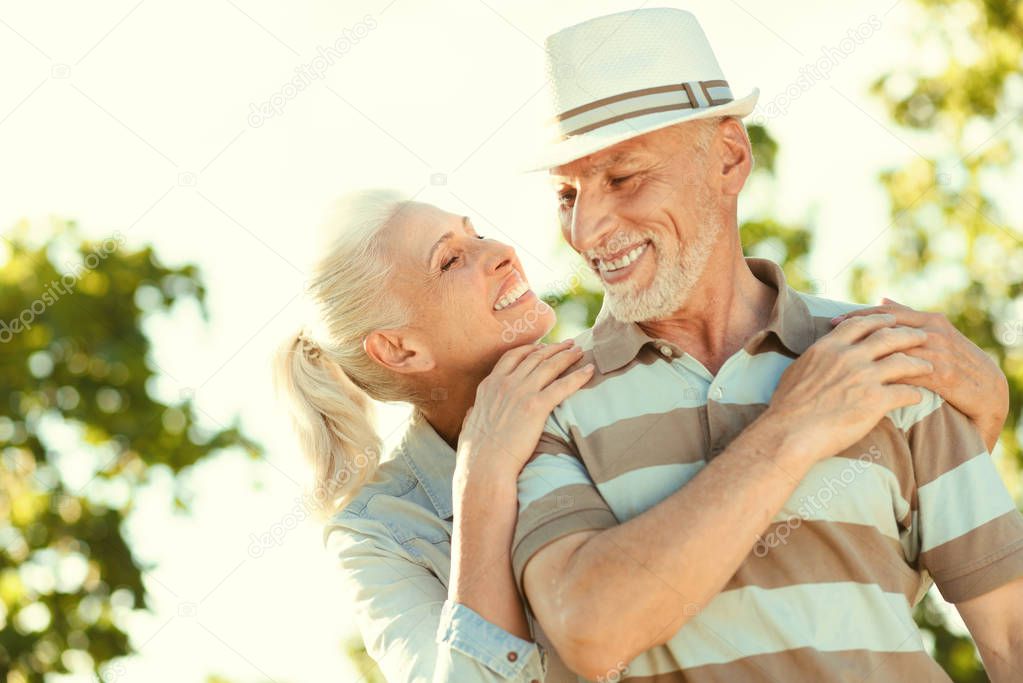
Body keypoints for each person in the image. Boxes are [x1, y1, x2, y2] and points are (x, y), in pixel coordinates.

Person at [272, 187, 1008, 682]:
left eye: (476, 233)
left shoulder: (614, 382)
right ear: (398, 351)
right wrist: (484, 481)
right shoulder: (380, 530)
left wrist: (983, 405)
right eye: (450, 259)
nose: (499, 253)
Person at [511, 8, 1023, 682]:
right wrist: (792, 426)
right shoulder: (543, 404)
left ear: (727, 157)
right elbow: (591, 629)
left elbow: (1011, 633)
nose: (587, 227)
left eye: (621, 177)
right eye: (566, 194)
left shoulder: (880, 354)